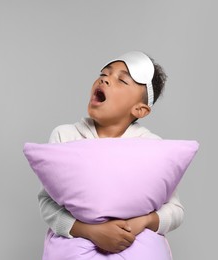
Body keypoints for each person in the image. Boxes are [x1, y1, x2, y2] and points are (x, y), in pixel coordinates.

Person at [38, 51, 184, 254]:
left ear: (140, 110)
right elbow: (48, 202)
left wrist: (143, 222)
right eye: (103, 74)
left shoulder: (151, 146)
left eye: (121, 80)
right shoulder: (66, 136)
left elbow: (175, 210)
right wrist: (90, 231)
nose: (105, 79)